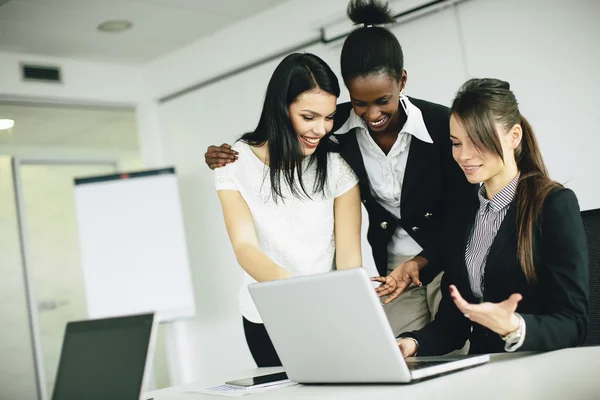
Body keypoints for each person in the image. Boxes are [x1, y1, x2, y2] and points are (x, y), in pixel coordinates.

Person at [206, 0, 476, 337]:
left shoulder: (442, 125)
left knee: (452, 347)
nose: (371, 114)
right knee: (404, 352)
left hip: (448, 255)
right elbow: (281, 136)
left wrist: (422, 263)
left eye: (383, 101)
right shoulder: (336, 126)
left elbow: (468, 209)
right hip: (390, 268)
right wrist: (222, 156)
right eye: (359, 102)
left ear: (402, 82)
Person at [394, 78, 589, 357]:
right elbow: (454, 323)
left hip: (537, 363)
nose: (464, 155)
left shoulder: (553, 205)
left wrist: (514, 326)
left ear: (514, 136)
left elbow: (575, 324)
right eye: (456, 143)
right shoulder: (462, 211)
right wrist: (412, 343)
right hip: (483, 368)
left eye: (477, 141)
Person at [214, 52, 362, 367]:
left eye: (329, 117)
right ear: (281, 109)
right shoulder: (234, 164)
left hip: (328, 314)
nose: (321, 129)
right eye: (309, 117)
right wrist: (295, 291)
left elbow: (349, 260)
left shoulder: (336, 169)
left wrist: (351, 313)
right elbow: (244, 247)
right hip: (266, 317)